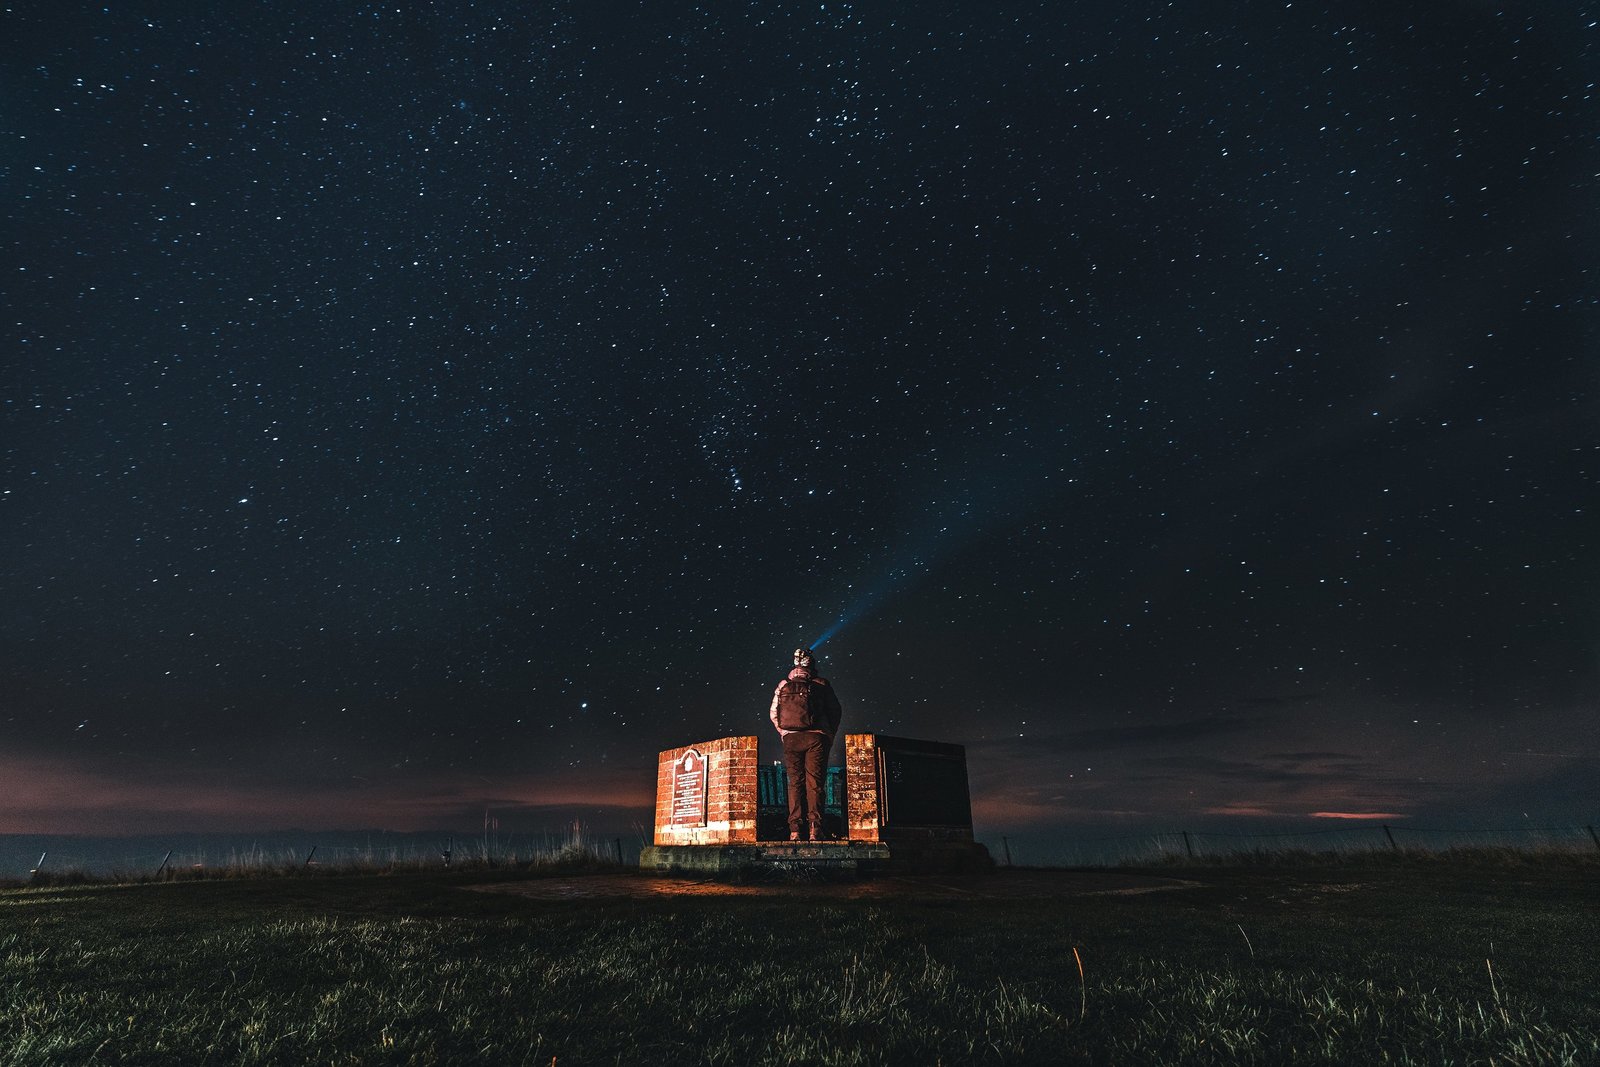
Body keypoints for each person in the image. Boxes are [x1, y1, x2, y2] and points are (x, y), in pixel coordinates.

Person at [769, 647, 843, 841]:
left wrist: (785, 733)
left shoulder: (783, 684)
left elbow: (773, 713)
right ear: (812, 663)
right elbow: (835, 711)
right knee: (815, 783)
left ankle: (794, 830)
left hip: (791, 740)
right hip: (816, 738)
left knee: (795, 783)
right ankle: (815, 829)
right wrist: (828, 734)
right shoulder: (821, 684)